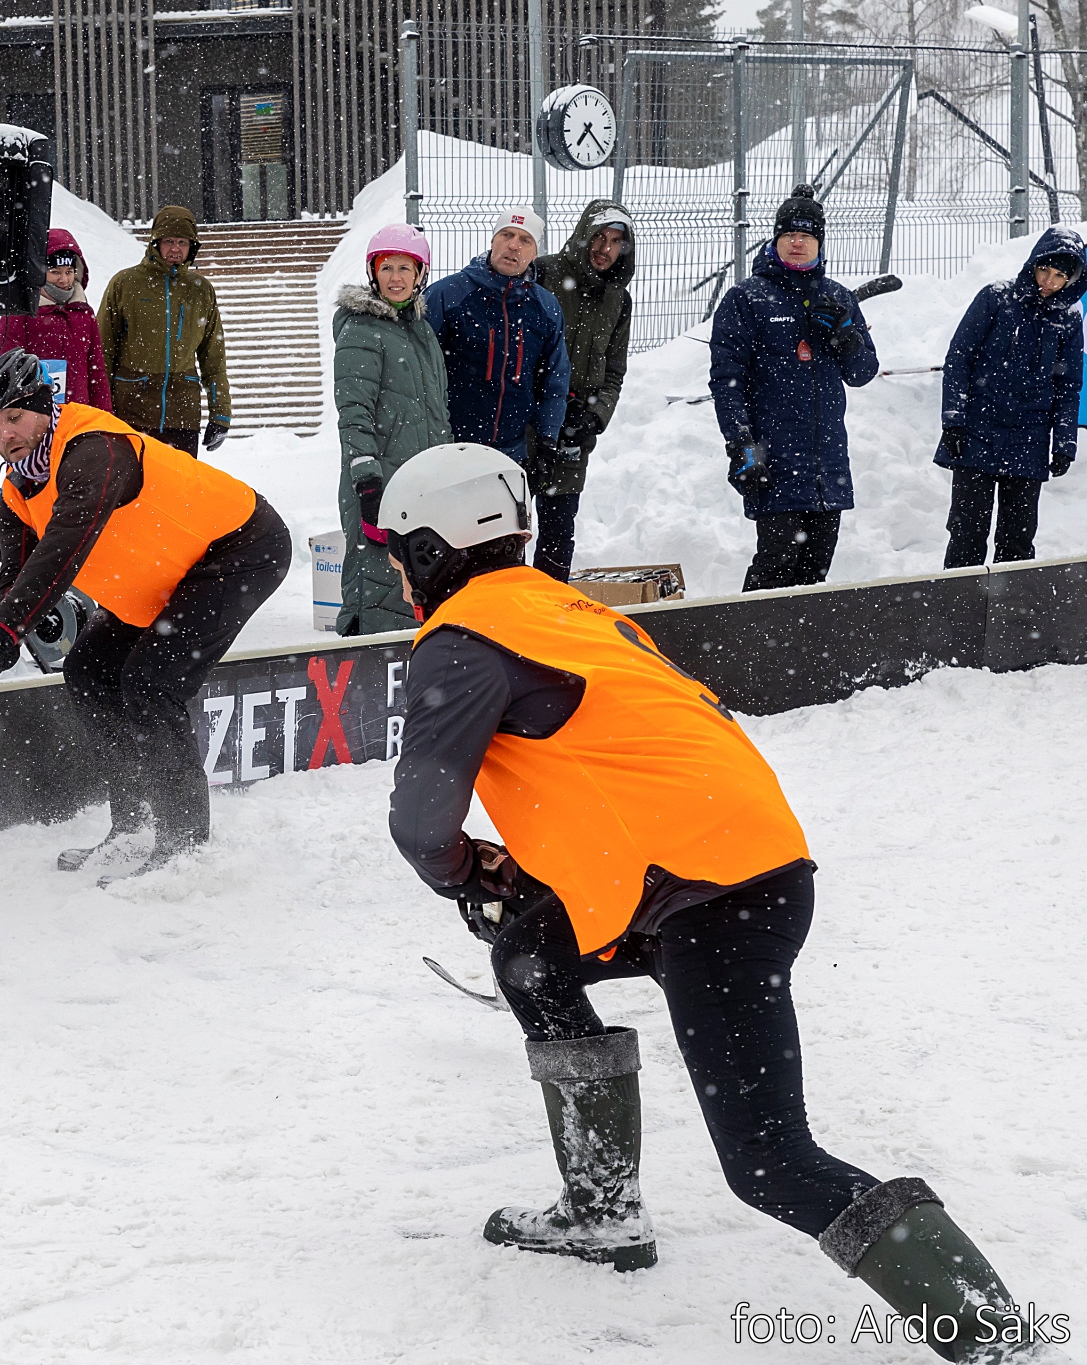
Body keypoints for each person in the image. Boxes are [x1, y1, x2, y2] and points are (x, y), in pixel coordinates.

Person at [375, 442, 1026, 1354]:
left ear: (432, 547)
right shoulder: (569, 612)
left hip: (709, 902)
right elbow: (623, 767)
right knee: (530, 956)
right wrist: (525, 882)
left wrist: (461, 873)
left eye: (399, 552)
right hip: (743, 874)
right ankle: (601, 1209)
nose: (397, 572)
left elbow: (421, 823)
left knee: (770, 1162)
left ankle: (992, 1331)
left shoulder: (462, 641)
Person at [0, 349, 290, 878]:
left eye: (15, 416)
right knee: (89, 672)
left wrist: (3, 632)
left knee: (152, 684)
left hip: (239, 549)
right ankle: (133, 825)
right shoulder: (16, 492)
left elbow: (63, 547)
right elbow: (17, 579)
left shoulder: (95, 448)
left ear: (44, 406)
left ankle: (183, 847)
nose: (5, 434)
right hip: (166, 575)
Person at [709, 184, 879, 592]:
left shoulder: (837, 297)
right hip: (776, 462)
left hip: (828, 466)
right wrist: (742, 446)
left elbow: (862, 373)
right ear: (775, 240)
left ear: (820, 243)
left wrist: (846, 337)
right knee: (775, 566)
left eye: (806, 235)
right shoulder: (747, 298)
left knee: (816, 573)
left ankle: (805, 638)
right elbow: (727, 380)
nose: (797, 242)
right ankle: (752, 635)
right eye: (789, 234)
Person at [937, 225, 1086, 568]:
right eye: (1045, 270)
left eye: (1060, 276)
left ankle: (1012, 603)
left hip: (1029, 439)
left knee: (1018, 538)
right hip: (977, 430)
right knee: (967, 532)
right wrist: (954, 419)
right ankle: (960, 599)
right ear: (1033, 264)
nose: (1048, 281)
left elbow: (1068, 386)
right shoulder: (996, 298)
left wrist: (1064, 443)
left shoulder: (1068, 320)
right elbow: (959, 359)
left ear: (1071, 280)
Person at [331, 222, 453, 634]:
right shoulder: (361, 330)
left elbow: (435, 412)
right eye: (387, 268)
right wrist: (367, 483)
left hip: (420, 480)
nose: (396, 278)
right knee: (376, 582)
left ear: (420, 275)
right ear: (373, 273)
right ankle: (363, 656)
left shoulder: (420, 330)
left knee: (414, 583)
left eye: (405, 268)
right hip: (380, 482)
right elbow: (354, 411)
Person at [532, 201, 636, 583]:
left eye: (615, 242)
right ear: (583, 235)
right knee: (508, 533)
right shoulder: (543, 274)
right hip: (526, 427)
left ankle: (549, 609)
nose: (605, 249)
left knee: (558, 537)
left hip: (574, 437)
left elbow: (614, 372)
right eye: (599, 237)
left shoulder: (619, 300)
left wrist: (593, 416)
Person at [425, 208, 569, 470]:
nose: (513, 245)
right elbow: (420, 372)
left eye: (525, 240)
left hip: (512, 451)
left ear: (534, 254)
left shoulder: (546, 308)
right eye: (506, 235)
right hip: (450, 447)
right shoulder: (447, 295)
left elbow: (555, 378)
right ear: (493, 241)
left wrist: (548, 439)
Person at [98, 206, 231, 456]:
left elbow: (213, 357)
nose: (175, 249)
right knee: (132, 480)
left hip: (181, 413)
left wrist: (220, 413)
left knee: (178, 481)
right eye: (169, 241)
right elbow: (102, 350)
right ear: (155, 243)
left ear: (192, 246)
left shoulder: (201, 289)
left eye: (182, 242)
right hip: (131, 411)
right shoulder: (125, 284)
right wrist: (100, 408)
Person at [0, 228, 112, 413]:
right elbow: (9, 373)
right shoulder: (19, 314)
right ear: (38, 273)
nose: (64, 280)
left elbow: (96, 373)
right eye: (55, 272)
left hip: (79, 416)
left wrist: (104, 417)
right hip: (37, 418)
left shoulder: (84, 313)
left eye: (69, 271)